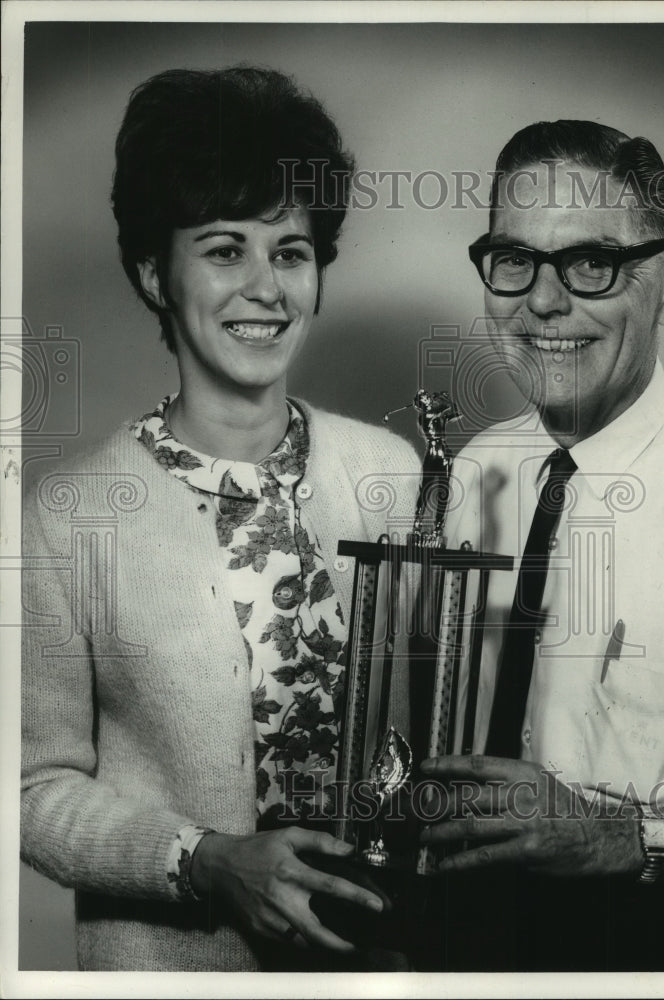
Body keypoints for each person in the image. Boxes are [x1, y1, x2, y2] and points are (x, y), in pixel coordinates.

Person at [20, 67, 418, 972]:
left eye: (290, 250)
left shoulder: (395, 476)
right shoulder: (66, 519)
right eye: (224, 249)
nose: (265, 288)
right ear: (154, 272)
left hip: (384, 967)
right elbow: (29, 787)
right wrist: (199, 860)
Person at [417, 121, 664, 971]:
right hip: (475, 953)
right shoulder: (475, 475)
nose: (542, 301)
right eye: (514, 259)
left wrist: (622, 837)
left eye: (591, 265)